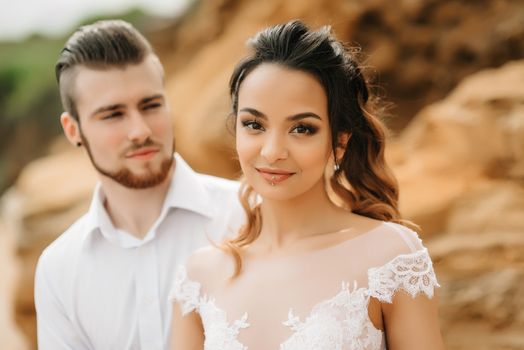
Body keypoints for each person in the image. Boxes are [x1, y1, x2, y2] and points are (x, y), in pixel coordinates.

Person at [170, 20, 444, 350]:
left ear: (340, 142)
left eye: (302, 129)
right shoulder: (200, 275)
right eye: (254, 124)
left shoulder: (391, 257)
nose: (272, 151)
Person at [34, 19, 244, 350]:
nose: (140, 130)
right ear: (73, 130)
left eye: (151, 105)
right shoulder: (58, 268)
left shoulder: (247, 214)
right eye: (113, 114)